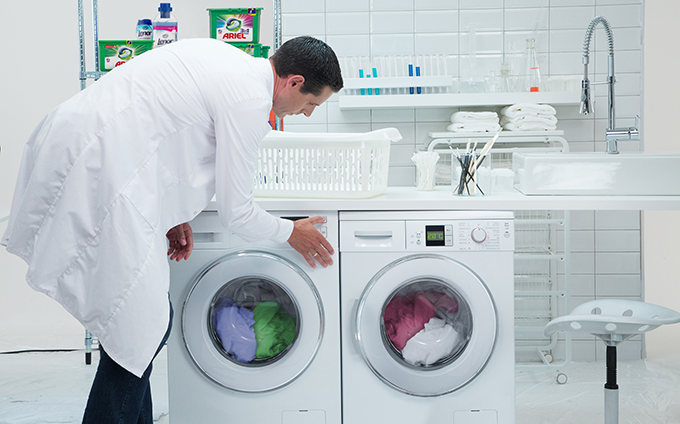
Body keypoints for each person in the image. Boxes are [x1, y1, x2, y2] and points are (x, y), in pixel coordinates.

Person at [1, 35, 343, 423]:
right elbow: (238, 212)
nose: (307, 112)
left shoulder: (224, 57)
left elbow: (165, 128)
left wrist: (175, 211)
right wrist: (291, 232)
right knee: (138, 325)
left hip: (83, 145)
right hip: (101, 170)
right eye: (311, 103)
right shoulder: (249, 101)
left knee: (136, 325)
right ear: (294, 82)